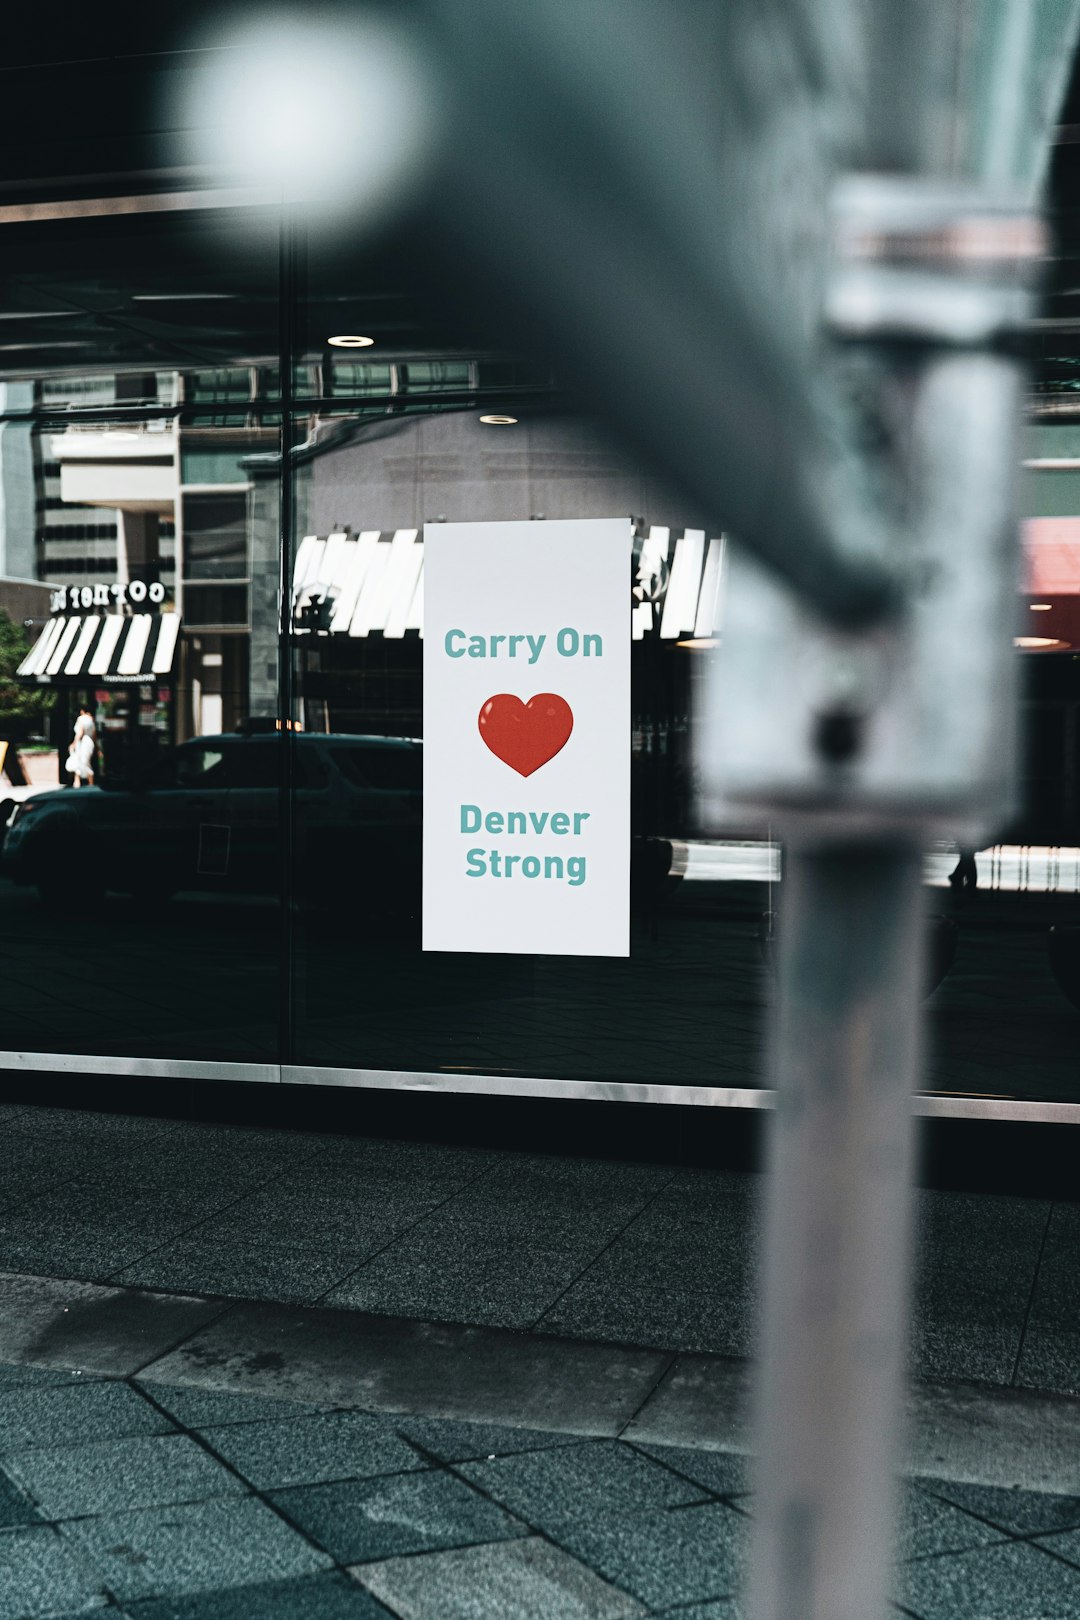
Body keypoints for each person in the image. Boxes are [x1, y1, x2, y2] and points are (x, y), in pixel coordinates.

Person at [65, 705, 97, 788]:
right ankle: (81, 783)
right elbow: (94, 734)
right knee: (83, 762)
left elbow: (80, 732)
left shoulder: (81, 719)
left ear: (82, 711)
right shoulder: (91, 719)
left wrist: (74, 743)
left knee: (83, 762)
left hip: (83, 742)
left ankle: (87, 783)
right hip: (89, 742)